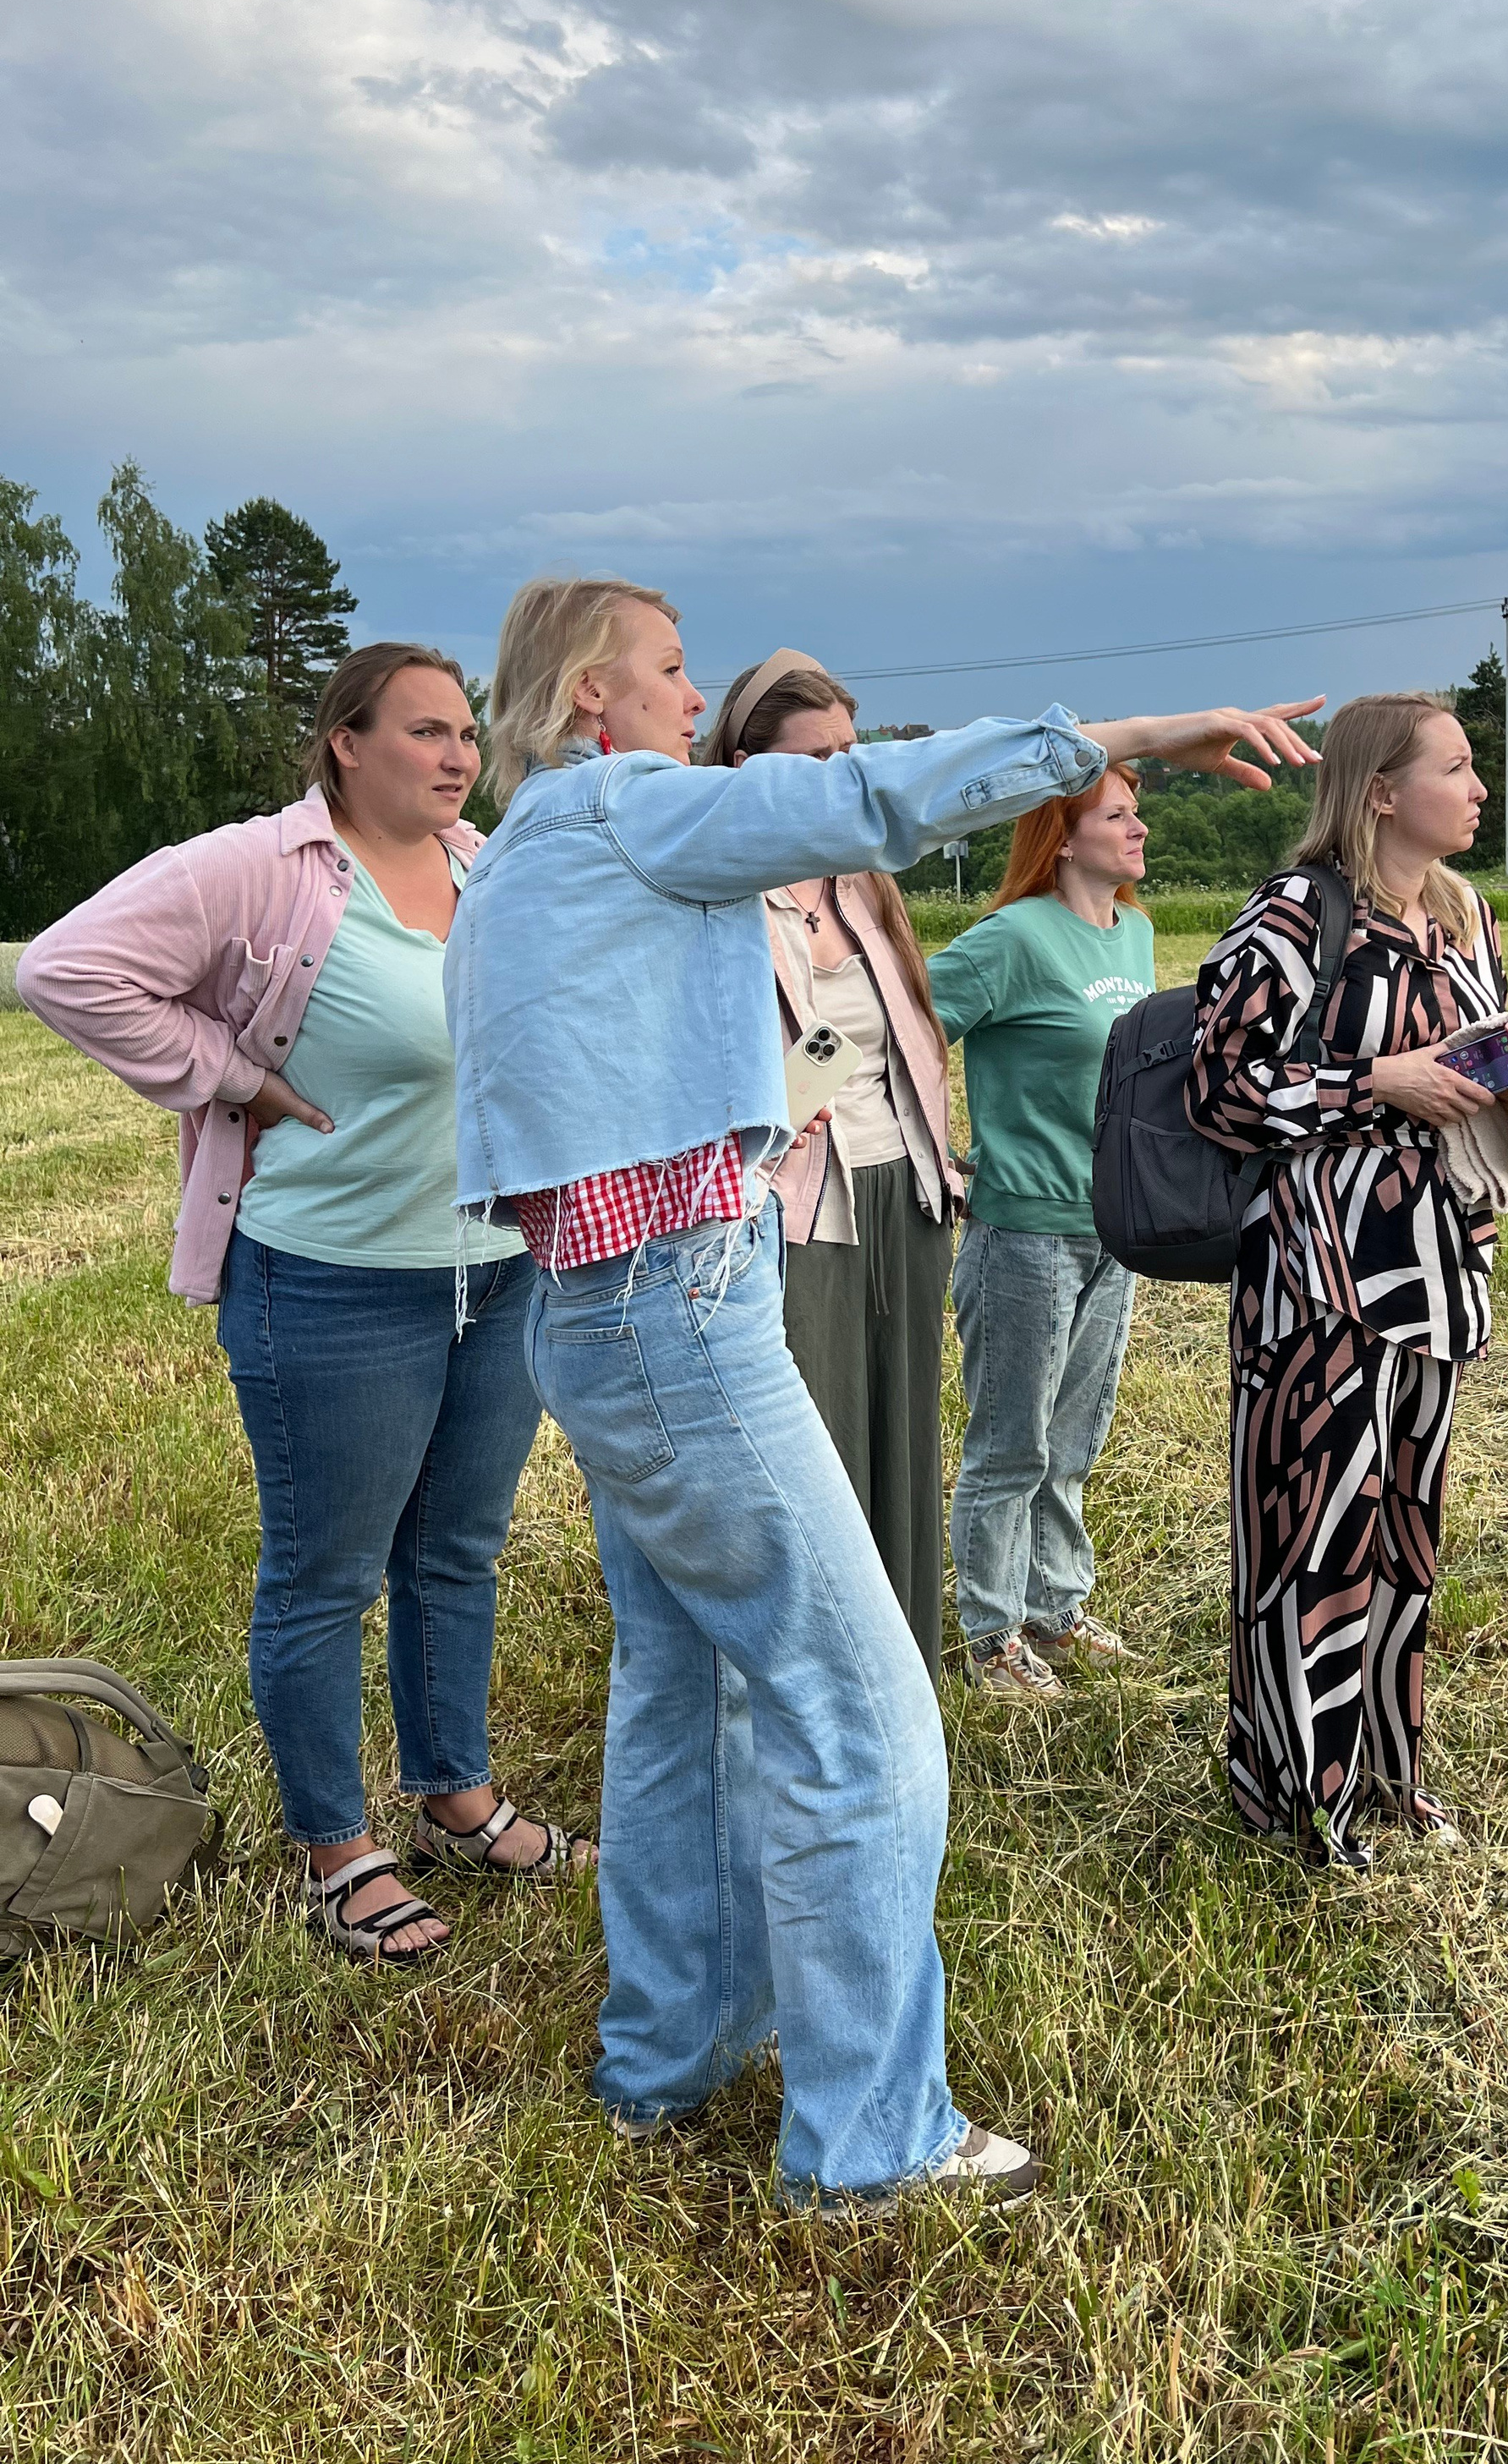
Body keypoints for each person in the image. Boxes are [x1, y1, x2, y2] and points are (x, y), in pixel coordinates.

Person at [445, 568, 1316, 2202]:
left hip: (598, 1309)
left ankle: (672, 2049)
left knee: (684, 1688)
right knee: (865, 1711)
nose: (689, 701)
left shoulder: (519, 860)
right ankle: (867, 2137)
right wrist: (1117, 738)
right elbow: (864, 794)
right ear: (590, 700)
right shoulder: (628, 808)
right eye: (672, 669)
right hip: (678, 1307)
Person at [18, 646, 584, 1965]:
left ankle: (454, 1793)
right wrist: (228, 1073)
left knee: (457, 1553)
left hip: (494, 1271)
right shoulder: (260, 869)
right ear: (345, 741)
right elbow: (66, 969)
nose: (458, 757)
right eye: (427, 732)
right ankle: (337, 1848)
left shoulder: (483, 867)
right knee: (325, 1578)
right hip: (328, 1282)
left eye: (467, 736)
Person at [1185, 693, 1508, 1875]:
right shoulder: (1294, 914)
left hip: (1435, 1275)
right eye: (1458, 766)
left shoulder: (1469, 917)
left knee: (1404, 1542)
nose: (1479, 786)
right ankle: (1295, 1800)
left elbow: (1461, 1061)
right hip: (1319, 1283)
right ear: (1381, 790)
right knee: (1309, 1544)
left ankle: (1389, 1775)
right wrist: (1377, 1082)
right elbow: (1221, 1092)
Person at [702, 648, 963, 1683]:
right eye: (815, 758)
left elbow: (903, 1036)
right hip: (794, 1202)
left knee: (905, 1430)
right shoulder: (718, 884)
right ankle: (816, 1673)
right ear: (743, 761)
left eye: (851, 754)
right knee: (815, 1446)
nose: (840, 778)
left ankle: (900, 1665)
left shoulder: (864, 877)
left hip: (902, 1181)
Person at [926, 763, 1157, 1700]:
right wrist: (933, 1153)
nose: (1137, 825)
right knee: (1010, 1440)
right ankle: (990, 1636)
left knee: (1074, 1435)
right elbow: (899, 1031)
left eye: (1137, 809)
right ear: (1060, 836)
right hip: (1022, 1230)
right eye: (1116, 812)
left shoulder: (1133, 930)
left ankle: (1053, 1608)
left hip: (1112, 1224)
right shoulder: (1009, 939)